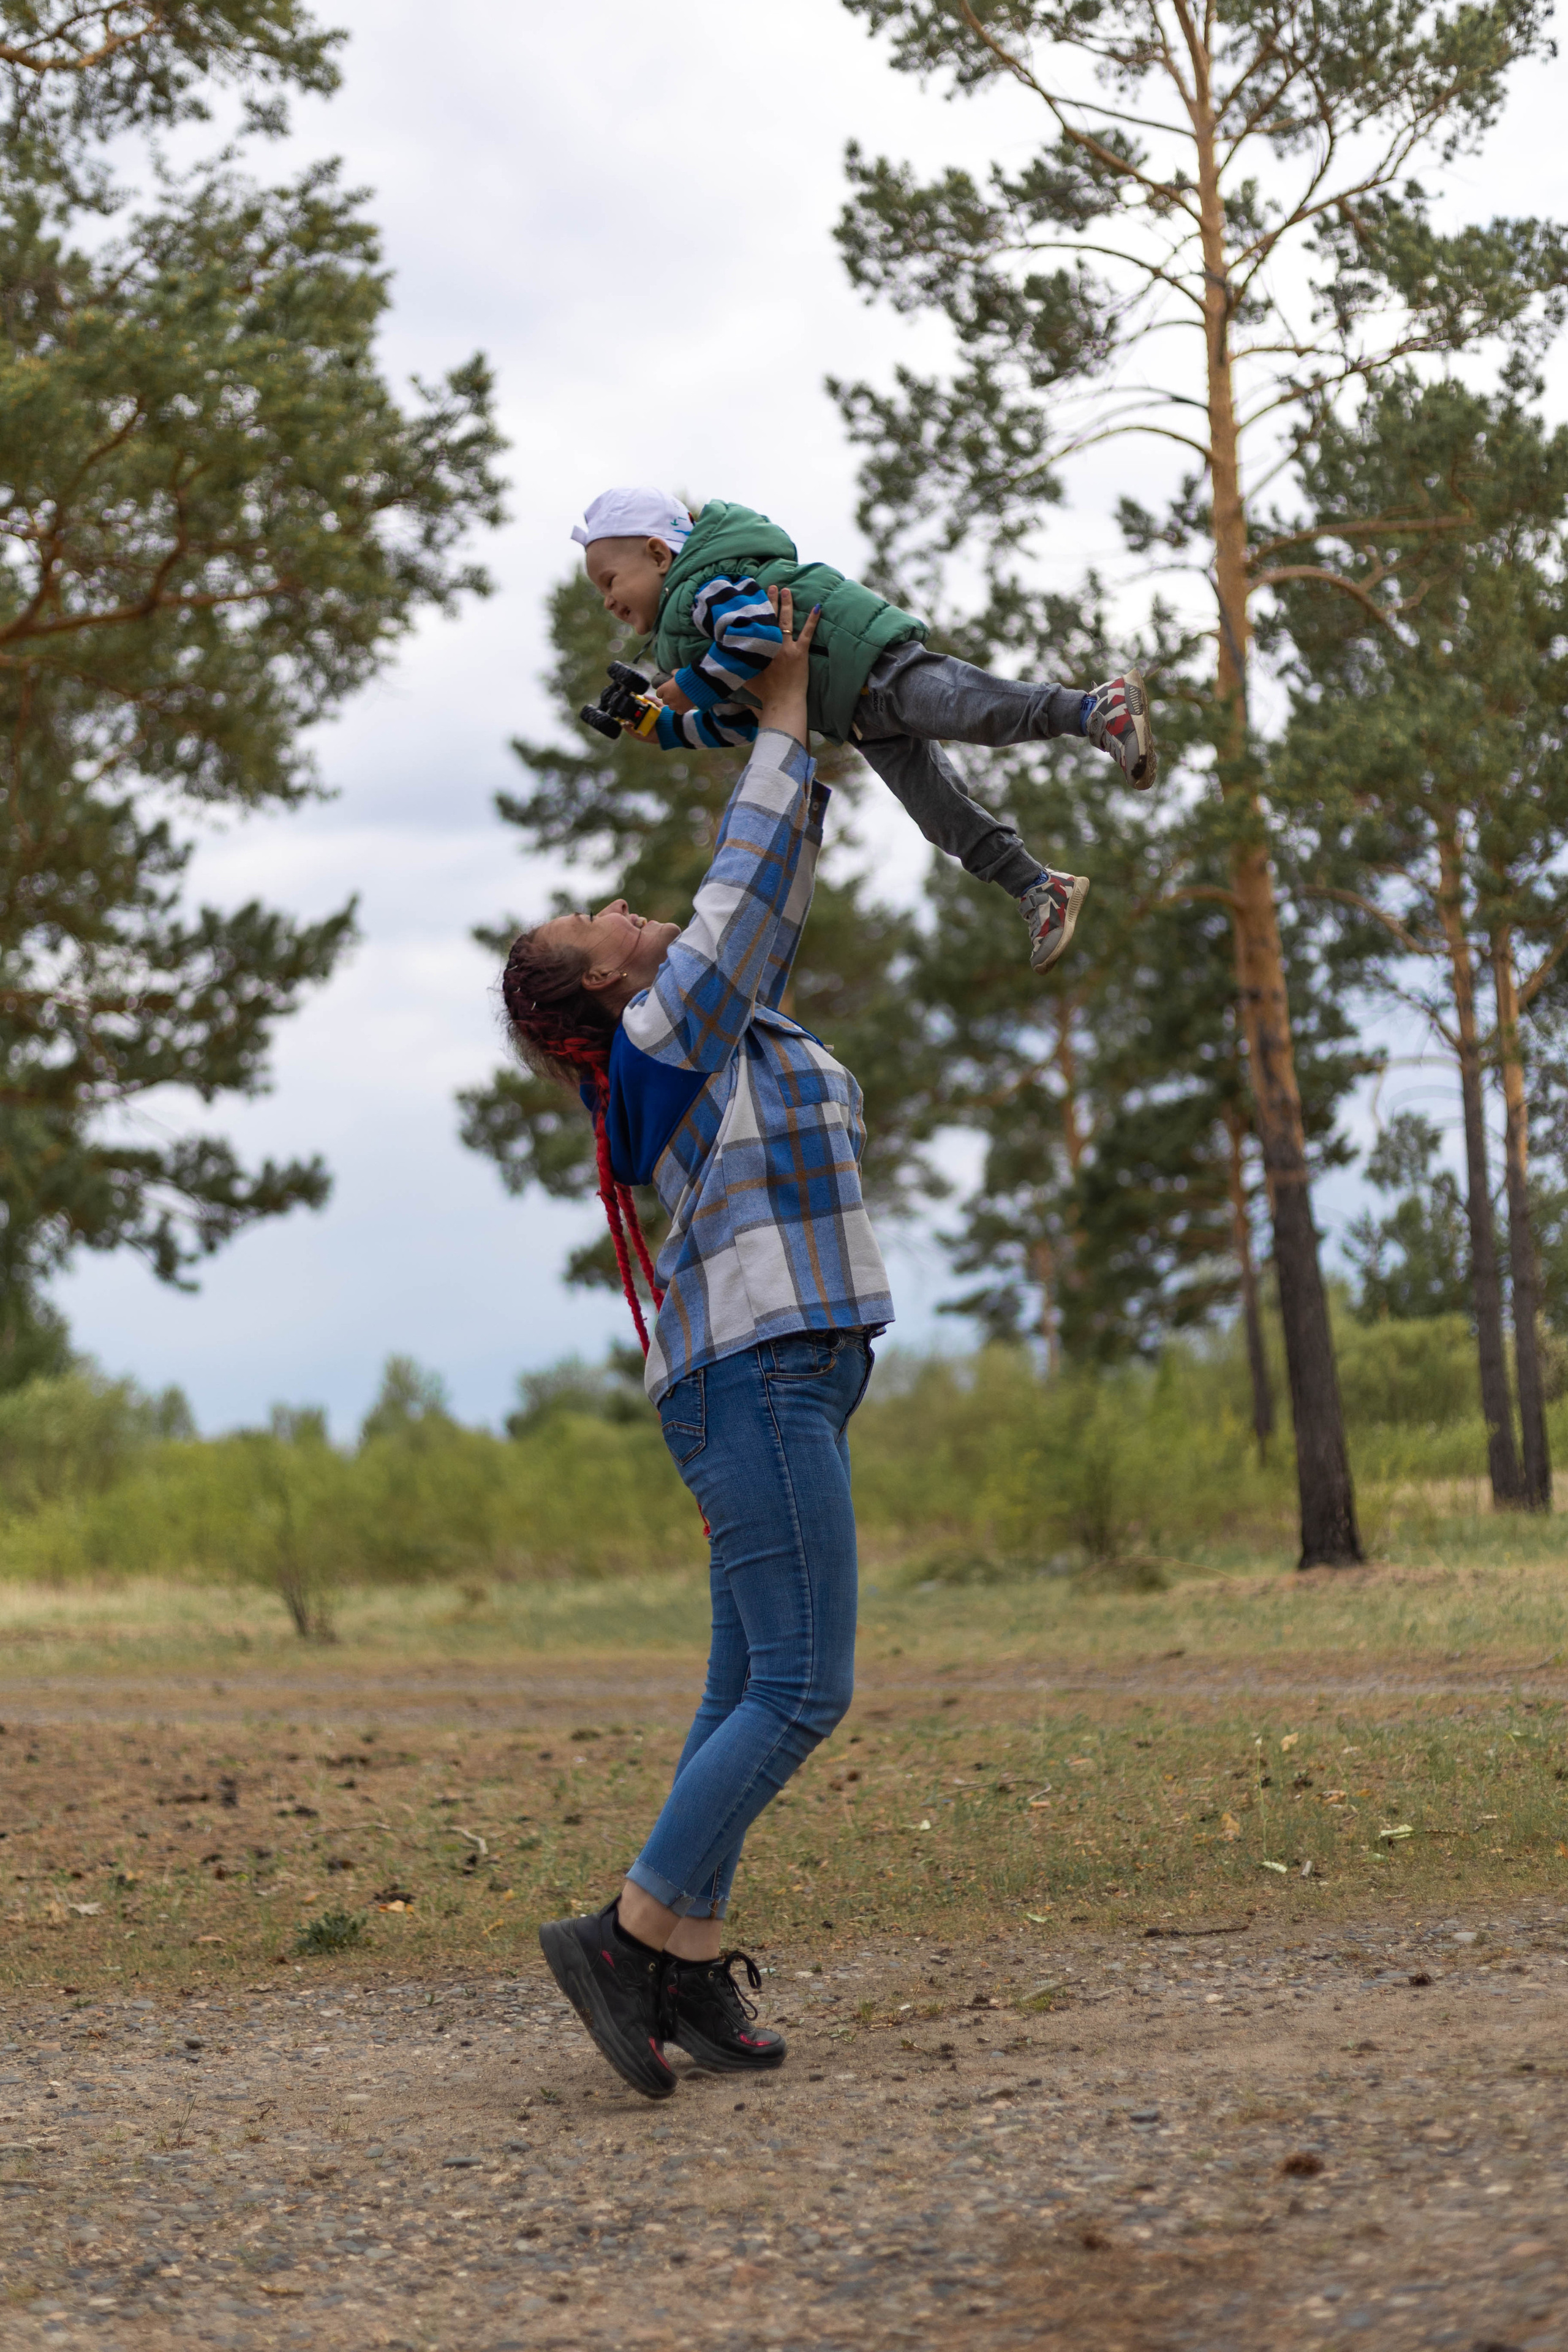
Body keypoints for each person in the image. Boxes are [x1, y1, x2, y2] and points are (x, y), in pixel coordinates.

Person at [501, 590, 889, 2100]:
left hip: (771, 1380)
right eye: (593, 916)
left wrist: (814, 740)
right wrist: (782, 710)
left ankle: (680, 1962)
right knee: (800, 1687)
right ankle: (622, 1935)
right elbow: (737, 890)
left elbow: (766, 890)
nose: (620, 903)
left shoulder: (703, 1029)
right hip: (754, 1380)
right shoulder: (664, 1037)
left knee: (747, 1688)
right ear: (599, 984)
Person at [568, 483, 1158, 974]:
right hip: (853, 713)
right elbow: (746, 715)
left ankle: (1094, 709)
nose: (606, 602)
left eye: (609, 582)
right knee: (939, 813)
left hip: (870, 665)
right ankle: (1038, 887)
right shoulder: (686, 634)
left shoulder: (703, 584)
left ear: (658, 554)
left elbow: (754, 635)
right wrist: (668, 728)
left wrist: (688, 687)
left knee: (979, 710)